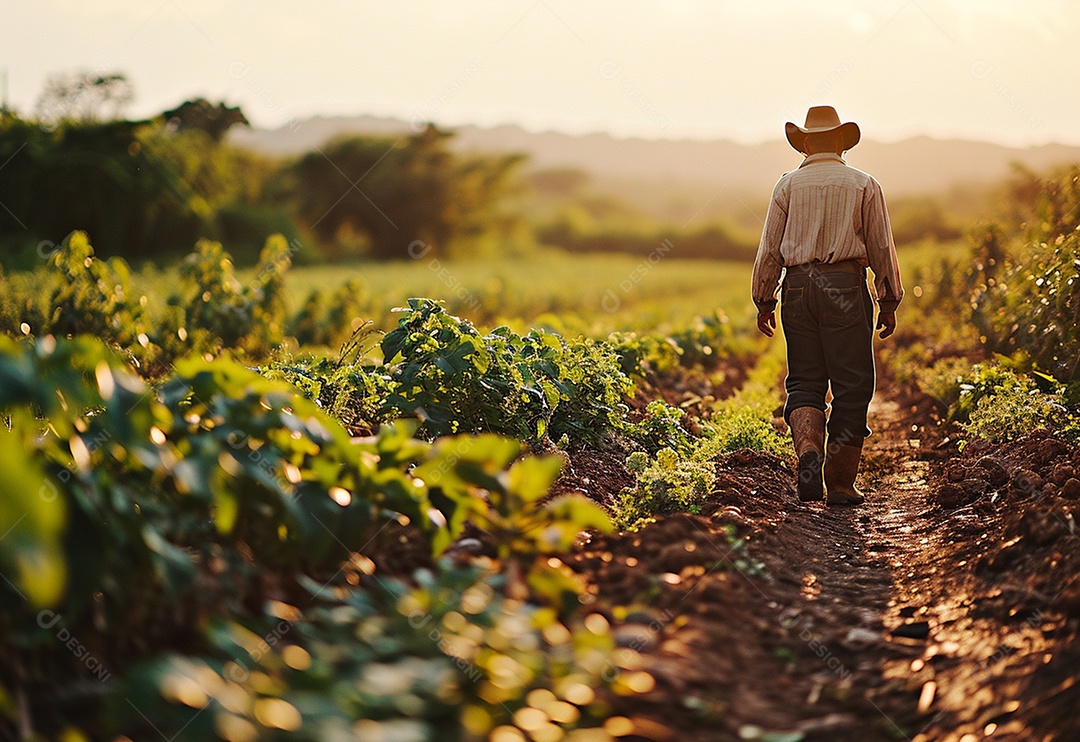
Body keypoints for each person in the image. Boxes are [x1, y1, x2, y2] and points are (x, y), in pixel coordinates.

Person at [751, 105, 903, 506]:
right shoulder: (864, 184)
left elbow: (769, 250)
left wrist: (764, 298)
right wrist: (888, 300)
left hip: (798, 288)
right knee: (852, 386)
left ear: (804, 143)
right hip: (844, 286)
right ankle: (839, 484)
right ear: (840, 141)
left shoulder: (786, 186)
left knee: (804, 381)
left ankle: (808, 453)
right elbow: (881, 246)